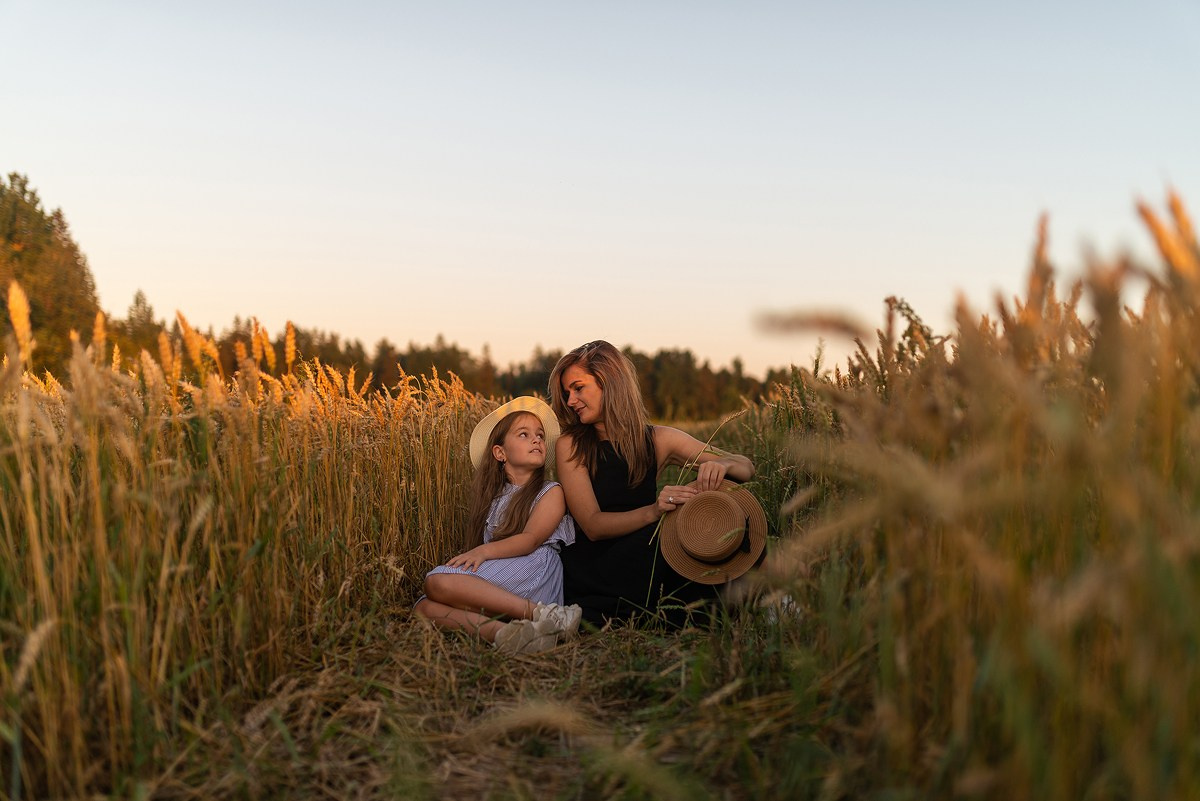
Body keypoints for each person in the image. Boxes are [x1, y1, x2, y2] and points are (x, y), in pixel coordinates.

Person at [548, 340, 757, 627]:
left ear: (609, 381)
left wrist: (721, 464)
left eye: (578, 387)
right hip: (600, 564)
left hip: (650, 550)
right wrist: (655, 512)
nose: (570, 400)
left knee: (731, 538)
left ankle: (754, 599)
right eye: (567, 392)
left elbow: (745, 467)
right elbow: (593, 526)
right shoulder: (571, 445)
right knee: (668, 544)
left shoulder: (659, 439)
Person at [414, 397, 582, 653]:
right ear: (500, 453)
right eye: (524, 434)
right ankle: (509, 635)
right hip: (509, 580)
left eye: (539, 435)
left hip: (534, 573)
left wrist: (482, 552)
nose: (537, 439)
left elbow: (531, 540)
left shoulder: (550, 491)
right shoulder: (495, 497)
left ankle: (546, 614)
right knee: (423, 608)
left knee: (437, 582)